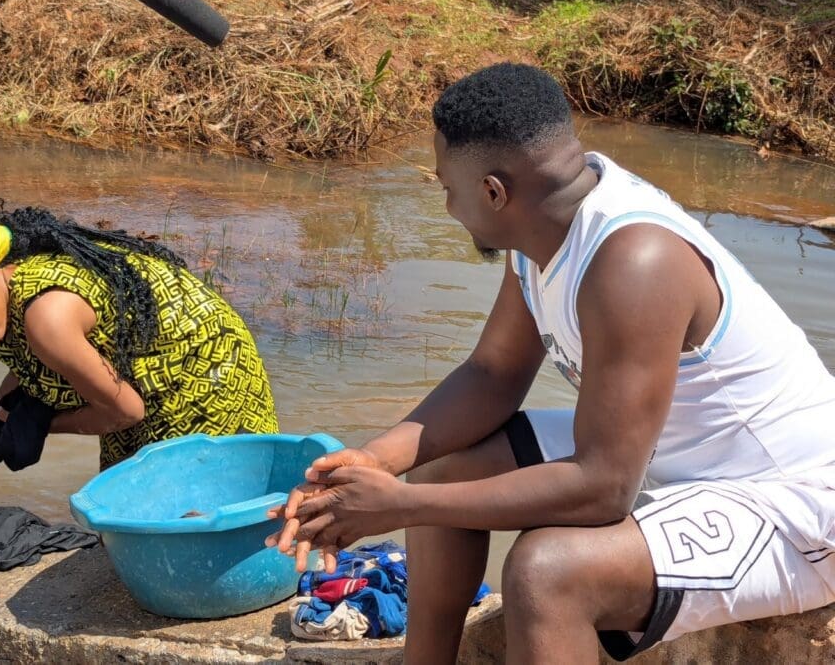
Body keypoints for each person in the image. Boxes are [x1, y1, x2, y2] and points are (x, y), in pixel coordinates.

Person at [267, 63, 835, 663]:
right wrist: (376, 460)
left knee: (546, 571)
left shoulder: (633, 263)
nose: (447, 206)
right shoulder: (546, 227)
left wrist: (396, 506)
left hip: (790, 499)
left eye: (446, 188)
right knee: (442, 469)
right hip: (676, 453)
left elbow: (603, 487)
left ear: (493, 192)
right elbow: (492, 374)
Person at [0, 206, 278, 507]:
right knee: (127, 506)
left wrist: (40, 425)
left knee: (183, 506)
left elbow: (127, 413)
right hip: (144, 370)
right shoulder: (11, 297)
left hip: (203, 369)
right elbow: (26, 377)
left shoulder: (47, 317)